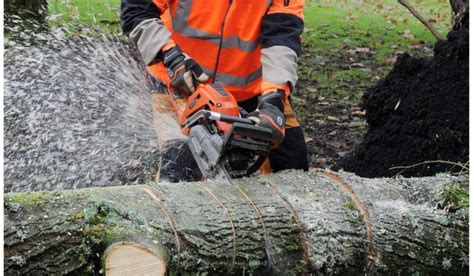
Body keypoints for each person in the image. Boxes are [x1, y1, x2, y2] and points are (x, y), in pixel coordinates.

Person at [120, 0, 308, 181]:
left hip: (252, 89)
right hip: (180, 82)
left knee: (293, 164)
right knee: (179, 170)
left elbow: (283, 37)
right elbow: (137, 11)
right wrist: (171, 56)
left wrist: (274, 98)